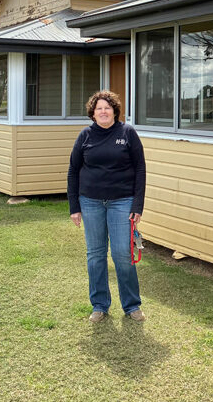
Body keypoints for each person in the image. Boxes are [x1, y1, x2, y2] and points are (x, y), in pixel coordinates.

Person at [67, 90, 146, 324]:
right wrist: (74, 206)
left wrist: (137, 204)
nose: (103, 111)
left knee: (123, 254)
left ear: (114, 111)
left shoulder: (127, 133)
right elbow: (73, 170)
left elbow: (140, 170)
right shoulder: (85, 136)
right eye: (99, 108)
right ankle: (100, 305)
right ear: (93, 113)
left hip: (122, 201)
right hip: (90, 202)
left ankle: (132, 305)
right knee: (96, 255)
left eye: (107, 107)